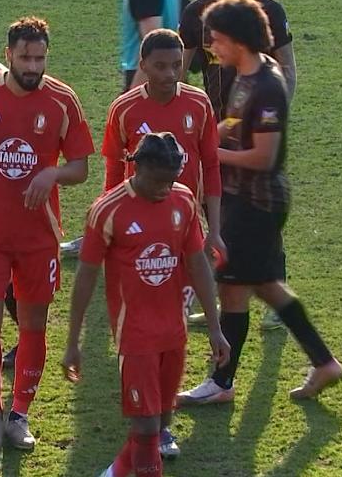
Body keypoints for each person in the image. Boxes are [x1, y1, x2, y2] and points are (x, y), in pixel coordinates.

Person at [176, 0, 342, 406]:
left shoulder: (267, 86)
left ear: (237, 39)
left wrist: (211, 154)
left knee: (234, 290)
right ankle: (324, 363)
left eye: (217, 39)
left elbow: (264, 157)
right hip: (247, 200)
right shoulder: (248, 74)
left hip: (257, 202)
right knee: (267, 287)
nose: (211, 47)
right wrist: (206, 134)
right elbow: (235, 122)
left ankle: (221, 382)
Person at [0, 17, 94, 454]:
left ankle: (20, 414)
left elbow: (81, 167)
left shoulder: (62, 100)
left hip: (38, 236)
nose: (33, 66)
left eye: (40, 58)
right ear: (8, 55)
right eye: (25, 58)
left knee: (33, 325)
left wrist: (52, 174)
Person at [62, 133, 229, 474]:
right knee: (147, 427)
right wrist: (73, 342)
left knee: (161, 421)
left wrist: (215, 328)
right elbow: (86, 277)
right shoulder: (108, 210)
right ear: (138, 168)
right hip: (135, 336)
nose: (165, 188)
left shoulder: (183, 200)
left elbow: (198, 264)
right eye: (158, 181)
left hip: (174, 333)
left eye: (171, 180)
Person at [62, 30, 224, 281]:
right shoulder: (124, 109)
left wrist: (214, 230)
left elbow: (211, 166)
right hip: (138, 217)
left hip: (185, 218)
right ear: (143, 65)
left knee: (183, 290)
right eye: (160, 66)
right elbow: (114, 172)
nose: (170, 74)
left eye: (176, 65)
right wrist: (112, 220)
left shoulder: (198, 103)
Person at [179, 0, 296, 118]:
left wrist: (274, 115)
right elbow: (179, 69)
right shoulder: (196, 13)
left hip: (258, 119)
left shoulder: (270, 11)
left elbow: (287, 70)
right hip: (216, 120)